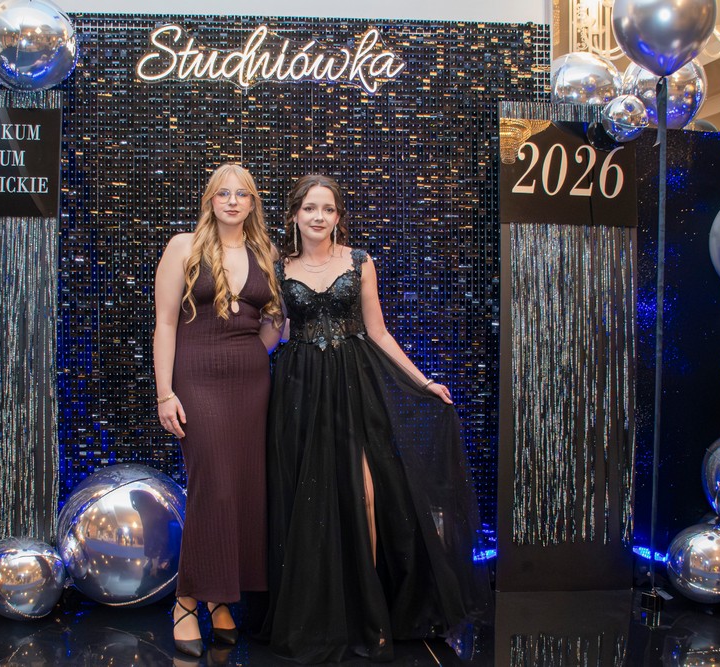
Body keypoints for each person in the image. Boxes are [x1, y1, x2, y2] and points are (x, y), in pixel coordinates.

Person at [263, 174, 489, 663]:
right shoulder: (278, 268)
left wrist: (423, 382)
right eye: (309, 208)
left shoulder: (360, 261)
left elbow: (379, 332)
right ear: (295, 214)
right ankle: (324, 612)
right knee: (309, 499)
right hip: (299, 388)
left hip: (354, 385)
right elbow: (273, 334)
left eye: (327, 208)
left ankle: (367, 611)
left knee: (364, 493)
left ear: (338, 216)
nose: (318, 216)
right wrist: (225, 360)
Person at [153, 163, 283, 658]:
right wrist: (165, 393)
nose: (232, 201)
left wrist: (253, 351)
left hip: (251, 385)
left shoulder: (266, 251)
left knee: (245, 490)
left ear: (252, 203)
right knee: (215, 488)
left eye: (242, 194)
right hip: (197, 378)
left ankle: (220, 598)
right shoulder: (183, 246)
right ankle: (187, 601)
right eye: (223, 193)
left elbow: (272, 322)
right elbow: (166, 324)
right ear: (210, 200)